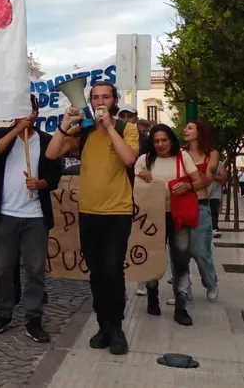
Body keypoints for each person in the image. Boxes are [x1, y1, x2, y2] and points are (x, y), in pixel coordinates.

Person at [45, 82, 139, 355]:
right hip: (88, 212)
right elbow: (51, 154)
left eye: (105, 97)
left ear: (114, 101)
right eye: (95, 97)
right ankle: (103, 326)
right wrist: (65, 124)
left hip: (117, 213)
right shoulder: (82, 132)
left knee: (112, 269)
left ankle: (117, 327)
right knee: (97, 273)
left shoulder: (126, 129)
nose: (100, 102)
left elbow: (129, 160)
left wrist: (110, 126)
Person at [0, 96, 62, 342]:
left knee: (35, 269)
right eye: (20, 110)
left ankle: (33, 317)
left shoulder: (47, 141)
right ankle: (4, 312)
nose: (26, 115)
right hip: (6, 214)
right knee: (4, 268)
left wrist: (39, 183)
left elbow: (54, 177)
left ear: (37, 113)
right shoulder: (2, 136)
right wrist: (17, 128)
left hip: (35, 217)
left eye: (29, 110)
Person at [136, 124, 206, 326]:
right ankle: (152, 297)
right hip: (152, 217)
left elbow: (202, 181)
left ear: (171, 140)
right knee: (152, 258)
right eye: (156, 140)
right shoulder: (144, 160)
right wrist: (140, 176)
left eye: (164, 140)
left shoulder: (183, 157)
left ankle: (181, 306)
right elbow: (134, 184)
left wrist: (190, 186)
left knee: (181, 261)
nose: (160, 144)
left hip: (178, 216)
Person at [183, 120, 219, 302]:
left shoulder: (211, 154)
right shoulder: (179, 154)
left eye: (190, 128)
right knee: (179, 252)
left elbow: (208, 180)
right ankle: (183, 290)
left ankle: (211, 282)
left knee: (200, 251)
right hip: (180, 206)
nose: (185, 130)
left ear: (200, 131)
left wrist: (187, 185)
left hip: (201, 206)